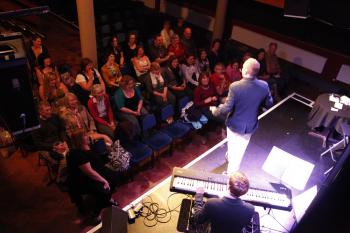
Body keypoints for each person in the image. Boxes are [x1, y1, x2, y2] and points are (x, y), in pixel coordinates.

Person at [210, 58, 273, 174]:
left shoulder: (235, 86)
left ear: (245, 70)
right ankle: (230, 158)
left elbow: (227, 108)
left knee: (236, 153)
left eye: (243, 66)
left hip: (234, 124)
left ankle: (230, 174)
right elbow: (269, 103)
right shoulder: (264, 86)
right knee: (239, 148)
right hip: (250, 125)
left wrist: (215, 110)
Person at [66, 130, 119, 220]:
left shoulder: (87, 145)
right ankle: (96, 213)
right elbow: (89, 172)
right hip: (84, 179)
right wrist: (103, 180)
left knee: (115, 177)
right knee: (103, 192)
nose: (88, 137)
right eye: (85, 136)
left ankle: (109, 198)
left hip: (97, 171)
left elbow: (96, 157)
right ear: (80, 141)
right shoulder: (77, 154)